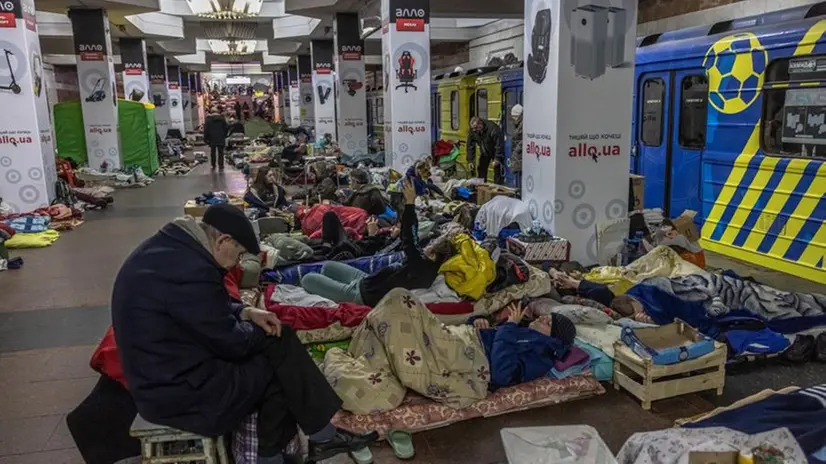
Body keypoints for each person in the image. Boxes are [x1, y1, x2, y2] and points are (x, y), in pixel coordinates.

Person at [111, 204, 377, 464]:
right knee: (280, 351)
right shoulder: (193, 271)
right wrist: (268, 334)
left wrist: (246, 312)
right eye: (238, 255)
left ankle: (300, 444)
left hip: (163, 379)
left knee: (282, 359)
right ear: (223, 240)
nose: (235, 265)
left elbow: (199, 309)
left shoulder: (173, 249)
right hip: (180, 396)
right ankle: (310, 439)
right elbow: (233, 343)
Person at [301, 178, 456, 306]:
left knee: (307, 278)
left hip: (360, 294)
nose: (427, 246)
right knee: (328, 266)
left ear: (435, 257)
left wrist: (410, 204)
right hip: (365, 279)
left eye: (431, 247)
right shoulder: (424, 266)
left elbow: (410, 238)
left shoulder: (420, 267)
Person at [470, 301, 576, 389]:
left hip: (470, 357)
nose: (542, 318)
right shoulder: (522, 329)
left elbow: (502, 374)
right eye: (546, 317)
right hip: (465, 338)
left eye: (548, 323)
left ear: (553, 338)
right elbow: (494, 335)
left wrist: (509, 326)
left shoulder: (542, 355)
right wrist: (477, 321)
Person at [467, 116, 505, 184]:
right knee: (481, 169)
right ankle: (482, 188)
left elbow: (499, 144)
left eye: (475, 128)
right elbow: (470, 146)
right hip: (484, 151)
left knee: (497, 171)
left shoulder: (493, 128)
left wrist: (497, 158)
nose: (474, 130)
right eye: (472, 128)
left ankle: (498, 188)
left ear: (480, 124)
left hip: (494, 151)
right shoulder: (473, 130)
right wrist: (470, 160)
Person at [510, 104, 524, 192]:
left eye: (515, 116)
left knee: (521, 175)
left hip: (520, 155)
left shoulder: (523, 124)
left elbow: (524, 139)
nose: (513, 118)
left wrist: (517, 149)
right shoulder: (518, 124)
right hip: (517, 155)